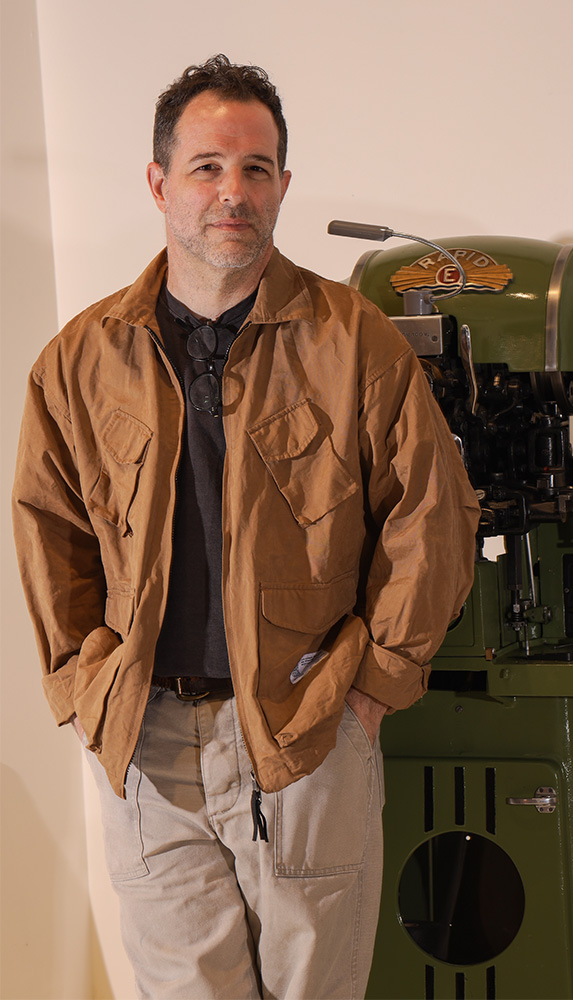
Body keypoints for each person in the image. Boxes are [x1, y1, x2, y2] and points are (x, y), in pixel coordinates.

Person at [12, 55, 479, 998]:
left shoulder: (356, 345)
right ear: (159, 183)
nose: (235, 192)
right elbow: (47, 526)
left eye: (257, 169)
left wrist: (376, 688)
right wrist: (83, 686)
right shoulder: (77, 362)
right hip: (146, 744)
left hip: (309, 736)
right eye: (209, 167)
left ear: (283, 186)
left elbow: (432, 517)